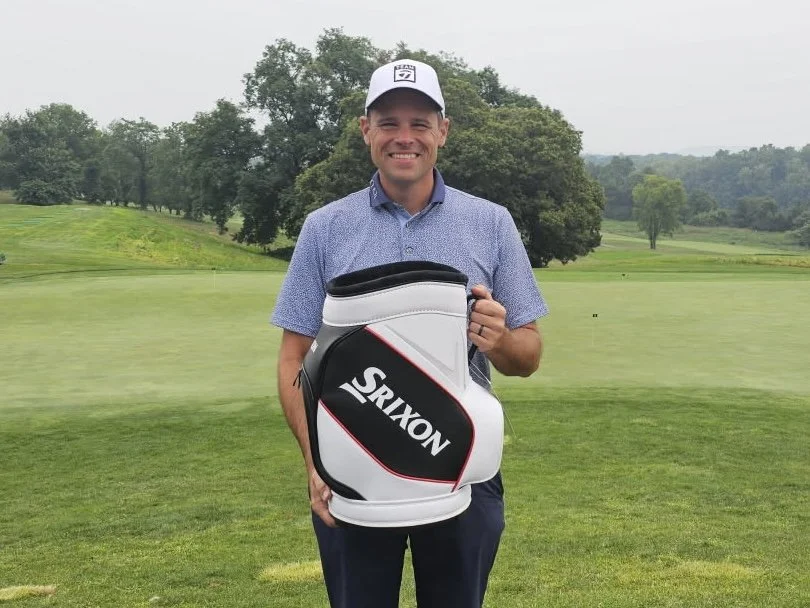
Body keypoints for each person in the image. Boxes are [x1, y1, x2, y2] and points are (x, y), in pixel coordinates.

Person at [272, 58, 548, 608]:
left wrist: (501, 339)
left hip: (460, 464)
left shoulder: (491, 222)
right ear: (366, 129)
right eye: (389, 121)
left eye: (420, 123)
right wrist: (315, 466)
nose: (405, 137)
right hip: (353, 466)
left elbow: (528, 355)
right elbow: (292, 360)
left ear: (442, 131)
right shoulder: (326, 227)